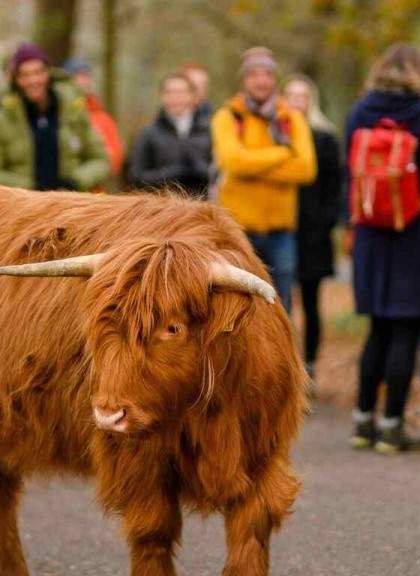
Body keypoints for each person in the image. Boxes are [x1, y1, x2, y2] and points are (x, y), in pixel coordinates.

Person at [346, 43, 420, 453]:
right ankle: (393, 425)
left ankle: (363, 421)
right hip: (417, 237)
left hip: (371, 237)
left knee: (377, 329)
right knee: (405, 332)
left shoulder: (359, 113)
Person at [212, 47, 316, 314]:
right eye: (254, 74)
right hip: (238, 230)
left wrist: (251, 164)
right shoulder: (227, 117)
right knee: (236, 305)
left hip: (281, 231)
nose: (261, 81)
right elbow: (232, 162)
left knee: (281, 306)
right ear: (243, 80)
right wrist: (282, 153)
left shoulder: (291, 119)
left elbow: (305, 169)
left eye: (267, 74)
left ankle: (282, 356)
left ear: (275, 79)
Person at [0, 43, 111, 192]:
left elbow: (101, 160)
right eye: (25, 75)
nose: (33, 80)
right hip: (23, 206)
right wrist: (31, 187)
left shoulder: (74, 112)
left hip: (71, 205)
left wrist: (75, 181)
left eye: (38, 72)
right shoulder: (0, 120)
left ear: (48, 73)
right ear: (16, 79)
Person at [283, 74, 343, 385]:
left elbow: (336, 184)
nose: (296, 102)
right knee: (280, 299)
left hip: (313, 233)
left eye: (302, 96)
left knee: (310, 301)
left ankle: (310, 364)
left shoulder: (325, 138)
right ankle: (285, 362)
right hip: (280, 226)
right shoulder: (276, 135)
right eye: (291, 95)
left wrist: (327, 222)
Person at [127, 72, 212, 198]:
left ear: (193, 96)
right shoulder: (148, 133)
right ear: (162, 97)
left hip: (201, 209)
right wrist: (172, 172)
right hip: (161, 209)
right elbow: (135, 177)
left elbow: (221, 175)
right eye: (170, 92)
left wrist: (199, 169)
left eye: (181, 92)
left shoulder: (209, 129)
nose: (175, 97)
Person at [62, 58, 124, 179]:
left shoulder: (103, 119)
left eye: (87, 76)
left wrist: (87, 175)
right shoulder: (56, 114)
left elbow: (115, 158)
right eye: (78, 76)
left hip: (96, 188)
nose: (84, 81)